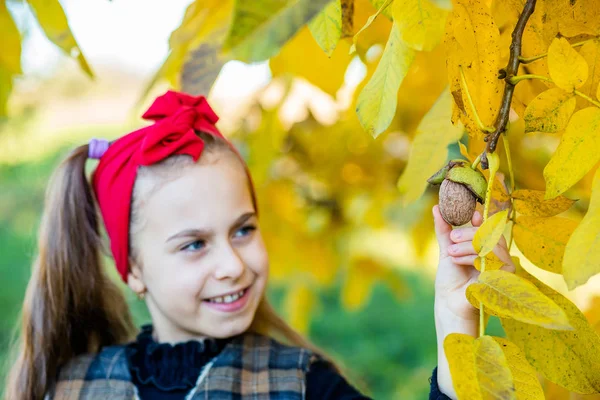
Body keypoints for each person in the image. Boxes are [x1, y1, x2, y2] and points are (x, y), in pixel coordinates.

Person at [4, 90, 515, 400]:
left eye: (243, 229)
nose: (233, 264)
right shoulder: (72, 388)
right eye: (193, 245)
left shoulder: (301, 385)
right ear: (133, 268)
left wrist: (456, 329)